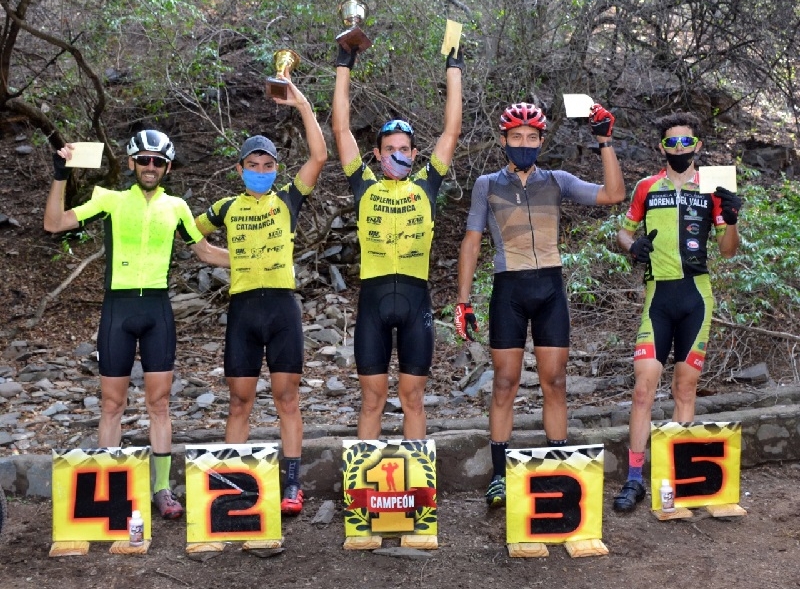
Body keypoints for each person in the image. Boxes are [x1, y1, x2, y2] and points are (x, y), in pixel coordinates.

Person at [44, 130, 230, 519]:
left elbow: (206, 252)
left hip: (157, 311)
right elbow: (54, 223)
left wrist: (258, 257)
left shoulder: (177, 206)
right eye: (143, 160)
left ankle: (161, 488)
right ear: (131, 163)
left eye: (158, 162)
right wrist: (61, 173)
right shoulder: (109, 199)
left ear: (167, 168)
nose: (150, 167)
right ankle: (111, 490)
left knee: (159, 404)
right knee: (112, 404)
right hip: (118, 309)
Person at [455, 102, 626, 506]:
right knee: (504, 383)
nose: (524, 143)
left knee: (555, 382)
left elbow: (614, 194)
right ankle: (499, 475)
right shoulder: (486, 184)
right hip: (508, 290)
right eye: (516, 136)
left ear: (541, 141)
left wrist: (604, 141)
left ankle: (558, 468)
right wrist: (463, 301)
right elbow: (471, 242)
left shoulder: (557, 181)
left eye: (532, 137)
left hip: (550, 288)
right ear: (503, 140)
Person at [194, 76, 326, 515]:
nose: (261, 170)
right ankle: (233, 487)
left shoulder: (287, 199)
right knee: (239, 401)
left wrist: (301, 104)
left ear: (275, 170)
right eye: (253, 164)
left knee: (287, 398)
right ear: (240, 169)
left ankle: (292, 485)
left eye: (268, 165)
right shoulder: (226, 207)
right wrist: (230, 259)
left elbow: (319, 156)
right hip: (243, 310)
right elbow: (192, 236)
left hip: (282, 308)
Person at [331, 43, 463, 440]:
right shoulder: (364, 185)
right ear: (377, 154)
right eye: (389, 150)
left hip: (415, 302)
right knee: (371, 401)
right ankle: (364, 480)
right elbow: (340, 130)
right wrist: (344, 66)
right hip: (373, 302)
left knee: (413, 399)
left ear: (415, 153)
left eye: (404, 149)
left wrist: (453, 68)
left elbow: (451, 131)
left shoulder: (426, 185)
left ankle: (417, 478)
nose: (397, 155)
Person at [612, 112, 741, 512]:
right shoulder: (646, 187)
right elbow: (624, 231)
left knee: (685, 389)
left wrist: (732, 220)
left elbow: (728, 250)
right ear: (662, 147)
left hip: (697, 298)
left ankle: (679, 477)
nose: (680, 148)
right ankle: (634, 480)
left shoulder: (714, 187)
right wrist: (632, 247)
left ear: (697, 145)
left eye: (687, 142)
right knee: (642, 390)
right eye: (672, 142)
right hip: (659, 299)